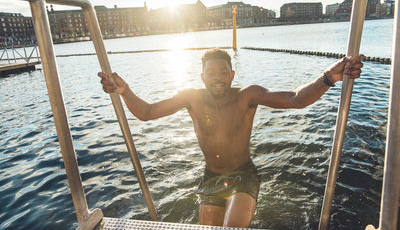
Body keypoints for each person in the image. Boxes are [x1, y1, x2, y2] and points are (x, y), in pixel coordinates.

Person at [98, 48, 363, 228]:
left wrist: (329, 77)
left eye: (223, 72)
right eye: (211, 73)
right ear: (202, 77)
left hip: (243, 175)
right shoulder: (191, 98)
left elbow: (295, 99)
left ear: (232, 75)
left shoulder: (246, 96)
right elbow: (147, 112)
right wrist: (124, 90)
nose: (218, 78)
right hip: (210, 177)